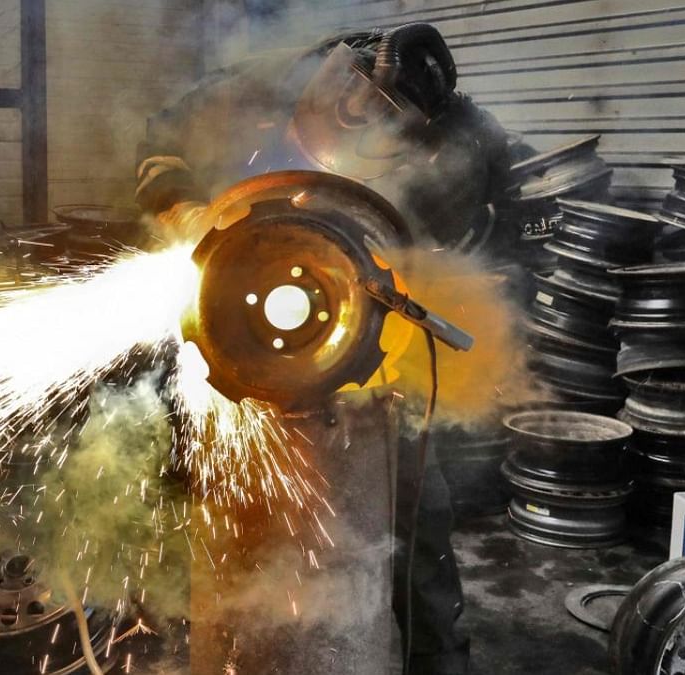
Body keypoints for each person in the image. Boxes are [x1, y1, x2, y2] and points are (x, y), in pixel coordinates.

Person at [137, 23, 519, 675]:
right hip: (234, 313)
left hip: (368, 326)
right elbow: (161, 153)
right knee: (224, 506)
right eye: (357, 106)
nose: (361, 128)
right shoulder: (248, 89)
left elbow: (457, 238)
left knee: (418, 513)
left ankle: (438, 659)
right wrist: (185, 212)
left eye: (387, 126)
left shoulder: (449, 142)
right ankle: (222, 645)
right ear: (337, 75)